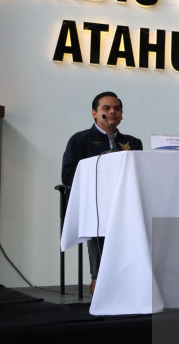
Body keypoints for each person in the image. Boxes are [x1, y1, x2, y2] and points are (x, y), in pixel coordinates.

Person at [61, 91, 143, 295]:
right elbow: (68, 174)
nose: (112, 112)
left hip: (126, 202)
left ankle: (130, 278)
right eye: (106, 109)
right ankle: (98, 278)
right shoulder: (80, 140)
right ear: (94, 114)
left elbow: (140, 173)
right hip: (94, 202)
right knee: (98, 218)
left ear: (122, 114)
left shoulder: (133, 142)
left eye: (116, 108)